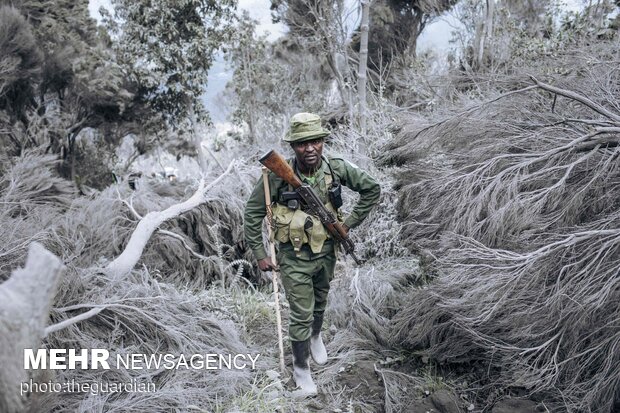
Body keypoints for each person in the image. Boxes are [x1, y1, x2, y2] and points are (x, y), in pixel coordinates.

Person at [243, 112, 381, 395]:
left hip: (326, 252)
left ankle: (316, 336)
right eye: (302, 143)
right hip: (293, 257)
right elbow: (253, 212)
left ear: (323, 141)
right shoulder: (276, 177)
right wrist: (259, 253)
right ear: (293, 146)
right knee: (301, 314)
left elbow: (372, 189)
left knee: (320, 303)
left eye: (315, 141)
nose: (310, 149)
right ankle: (301, 370)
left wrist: (347, 223)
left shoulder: (337, 168)